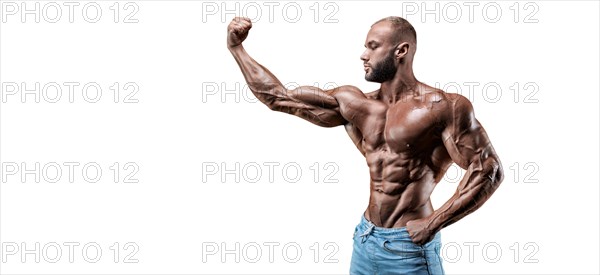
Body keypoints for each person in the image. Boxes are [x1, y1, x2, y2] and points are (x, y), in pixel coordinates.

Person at [226, 16, 504, 275]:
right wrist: (237, 49)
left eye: (373, 47)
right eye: (365, 47)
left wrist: (433, 224)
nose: (363, 55)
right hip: (365, 238)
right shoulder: (354, 104)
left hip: (408, 249)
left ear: (401, 51)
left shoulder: (442, 107)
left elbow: (488, 170)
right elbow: (279, 98)